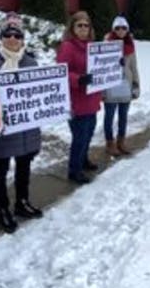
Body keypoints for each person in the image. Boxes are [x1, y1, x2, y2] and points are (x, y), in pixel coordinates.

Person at [0, 14, 43, 235]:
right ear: (1, 37)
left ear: (23, 38)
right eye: (8, 34)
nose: (13, 38)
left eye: (17, 35)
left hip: (27, 128)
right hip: (2, 130)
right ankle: (3, 208)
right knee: (0, 170)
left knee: (24, 167)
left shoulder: (30, 62)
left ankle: (22, 202)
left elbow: (39, 93)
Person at [56, 11, 102, 184]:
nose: (83, 29)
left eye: (86, 25)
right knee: (79, 136)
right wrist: (78, 79)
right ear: (73, 27)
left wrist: (114, 64)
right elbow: (61, 72)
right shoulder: (67, 47)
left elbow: (102, 65)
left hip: (92, 98)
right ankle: (74, 170)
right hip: (77, 99)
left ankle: (83, 159)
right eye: (79, 25)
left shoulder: (93, 46)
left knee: (89, 132)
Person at [102, 16, 140, 156]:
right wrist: (102, 90)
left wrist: (136, 86)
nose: (120, 30)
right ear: (113, 29)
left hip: (126, 86)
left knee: (123, 116)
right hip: (111, 86)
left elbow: (134, 68)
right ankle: (109, 143)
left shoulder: (130, 45)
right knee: (109, 117)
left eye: (123, 27)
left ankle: (121, 142)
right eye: (117, 28)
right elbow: (101, 68)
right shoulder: (106, 44)